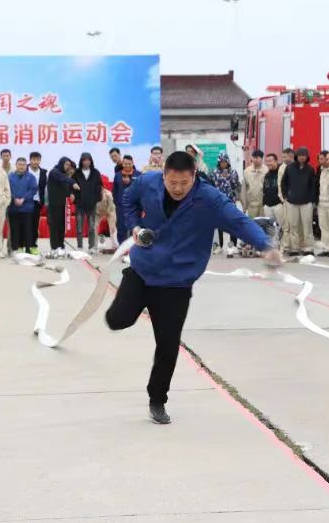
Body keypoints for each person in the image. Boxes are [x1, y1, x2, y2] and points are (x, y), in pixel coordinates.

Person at [106, 151, 281, 425]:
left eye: (183, 183)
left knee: (168, 344)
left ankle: (157, 400)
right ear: (163, 175)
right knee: (116, 320)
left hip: (177, 282)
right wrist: (133, 226)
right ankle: (134, 300)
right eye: (171, 182)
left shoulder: (209, 199)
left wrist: (265, 245)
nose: (177, 189)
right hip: (143, 270)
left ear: (194, 177)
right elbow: (128, 199)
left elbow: (238, 221)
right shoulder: (147, 182)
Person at [280, 147, 316, 255]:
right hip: (292, 202)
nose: (302, 157)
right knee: (293, 226)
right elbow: (283, 183)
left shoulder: (310, 169)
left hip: (306, 202)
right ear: (296, 156)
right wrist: (286, 196)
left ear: (307, 157)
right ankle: (294, 248)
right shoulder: (289, 168)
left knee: (307, 226)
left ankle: (308, 248)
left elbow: (313, 186)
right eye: (300, 155)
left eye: (304, 156)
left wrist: (311, 199)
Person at [72, 152, 103, 252]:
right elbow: (71, 186)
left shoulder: (95, 172)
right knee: (79, 227)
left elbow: (99, 186)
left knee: (91, 227)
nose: (86, 162)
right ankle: (80, 246)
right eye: (84, 160)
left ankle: (91, 247)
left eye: (88, 160)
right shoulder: (76, 173)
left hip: (91, 204)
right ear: (81, 161)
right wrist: (73, 195)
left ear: (91, 161)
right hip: (79, 204)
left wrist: (96, 198)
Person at [7, 157, 38, 253]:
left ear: (26, 166)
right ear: (16, 165)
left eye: (23, 165)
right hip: (13, 208)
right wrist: (14, 198)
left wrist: (23, 199)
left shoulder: (31, 177)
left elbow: (33, 190)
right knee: (15, 230)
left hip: (27, 208)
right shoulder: (10, 177)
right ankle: (17, 248)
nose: (21, 167)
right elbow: (7, 189)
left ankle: (28, 248)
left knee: (27, 229)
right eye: (19, 164)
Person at [211, 153, 241, 252]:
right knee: (219, 223)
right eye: (221, 162)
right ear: (219, 162)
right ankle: (219, 245)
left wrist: (228, 177)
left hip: (230, 201)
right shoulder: (214, 172)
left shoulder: (233, 172)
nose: (223, 164)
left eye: (225, 162)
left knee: (232, 223)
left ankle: (233, 245)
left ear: (228, 162)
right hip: (218, 201)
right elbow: (212, 185)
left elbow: (236, 185)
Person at [46, 156, 75, 254]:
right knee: (54, 226)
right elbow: (64, 179)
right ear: (61, 163)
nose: (67, 167)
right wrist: (73, 182)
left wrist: (70, 193)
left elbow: (65, 188)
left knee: (62, 226)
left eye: (69, 165)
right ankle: (54, 247)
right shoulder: (54, 172)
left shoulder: (64, 174)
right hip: (53, 205)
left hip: (62, 204)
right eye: (66, 164)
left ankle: (61, 245)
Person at [112, 156, 140, 244]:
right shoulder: (117, 175)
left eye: (129, 163)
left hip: (135, 206)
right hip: (121, 206)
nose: (127, 165)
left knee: (135, 227)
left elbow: (141, 188)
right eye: (125, 164)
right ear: (122, 164)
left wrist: (130, 182)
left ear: (133, 163)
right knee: (121, 228)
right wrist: (116, 204)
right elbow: (114, 191)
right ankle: (122, 248)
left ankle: (134, 248)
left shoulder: (139, 174)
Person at [26, 152, 46, 255]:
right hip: (25, 202)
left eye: (37, 160)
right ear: (30, 160)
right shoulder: (24, 170)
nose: (35, 162)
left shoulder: (43, 172)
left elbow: (45, 188)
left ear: (39, 161)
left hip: (37, 202)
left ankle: (33, 246)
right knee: (26, 224)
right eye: (33, 159)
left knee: (34, 225)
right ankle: (25, 246)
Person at [261, 153, 284, 240]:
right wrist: (264, 204)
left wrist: (282, 202)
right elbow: (264, 190)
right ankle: (273, 247)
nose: (268, 163)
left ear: (276, 161)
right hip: (268, 206)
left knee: (282, 228)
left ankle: (283, 247)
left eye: (270, 161)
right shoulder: (267, 175)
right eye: (266, 161)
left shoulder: (281, 173)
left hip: (279, 205)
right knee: (270, 229)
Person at [241, 149, 266, 219]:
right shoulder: (247, 171)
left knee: (263, 224)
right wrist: (244, 206)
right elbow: (243, 189)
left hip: (263, 205)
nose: (255, 160)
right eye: (254, 157)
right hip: (252, 205)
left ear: (261, 158)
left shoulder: (266, 170)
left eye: (257, 158)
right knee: (253, 224)